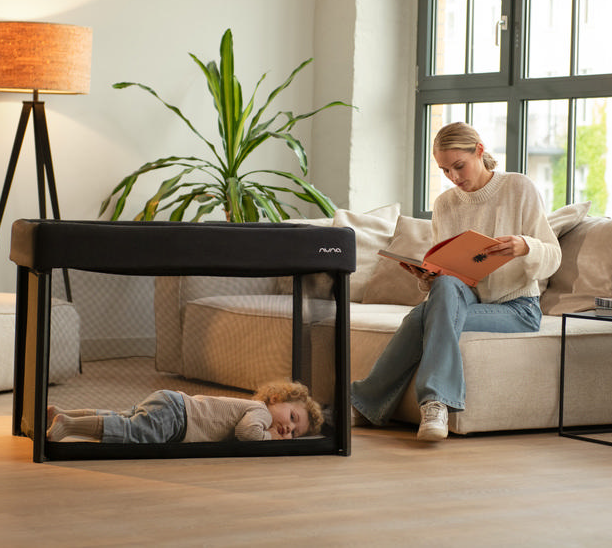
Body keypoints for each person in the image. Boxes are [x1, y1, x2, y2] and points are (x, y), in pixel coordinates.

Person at [351, 122, 561, 442]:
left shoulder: (519, 188)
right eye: (445, 170)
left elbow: (554, 257)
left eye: (459, 166)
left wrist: (526, 246)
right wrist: (429, 277)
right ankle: (434, 404)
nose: (453, 177)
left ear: (479, 151)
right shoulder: (445, 204)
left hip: (518, 308)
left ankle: (374, 403)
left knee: (421, 318)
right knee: (444, 287)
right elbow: (449, 273)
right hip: (464, 299)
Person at [46, 381, 323, 443]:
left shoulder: (258, 410)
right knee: (134, 432)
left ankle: (66, 413)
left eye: (295, 433)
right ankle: (68, 426)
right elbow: (246, 433)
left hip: (174, 403)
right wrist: (271, 438)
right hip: (178, 417)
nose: (289, 429)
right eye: (293, 418)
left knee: (124, 417)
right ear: (275, 399)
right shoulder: (261, 413)